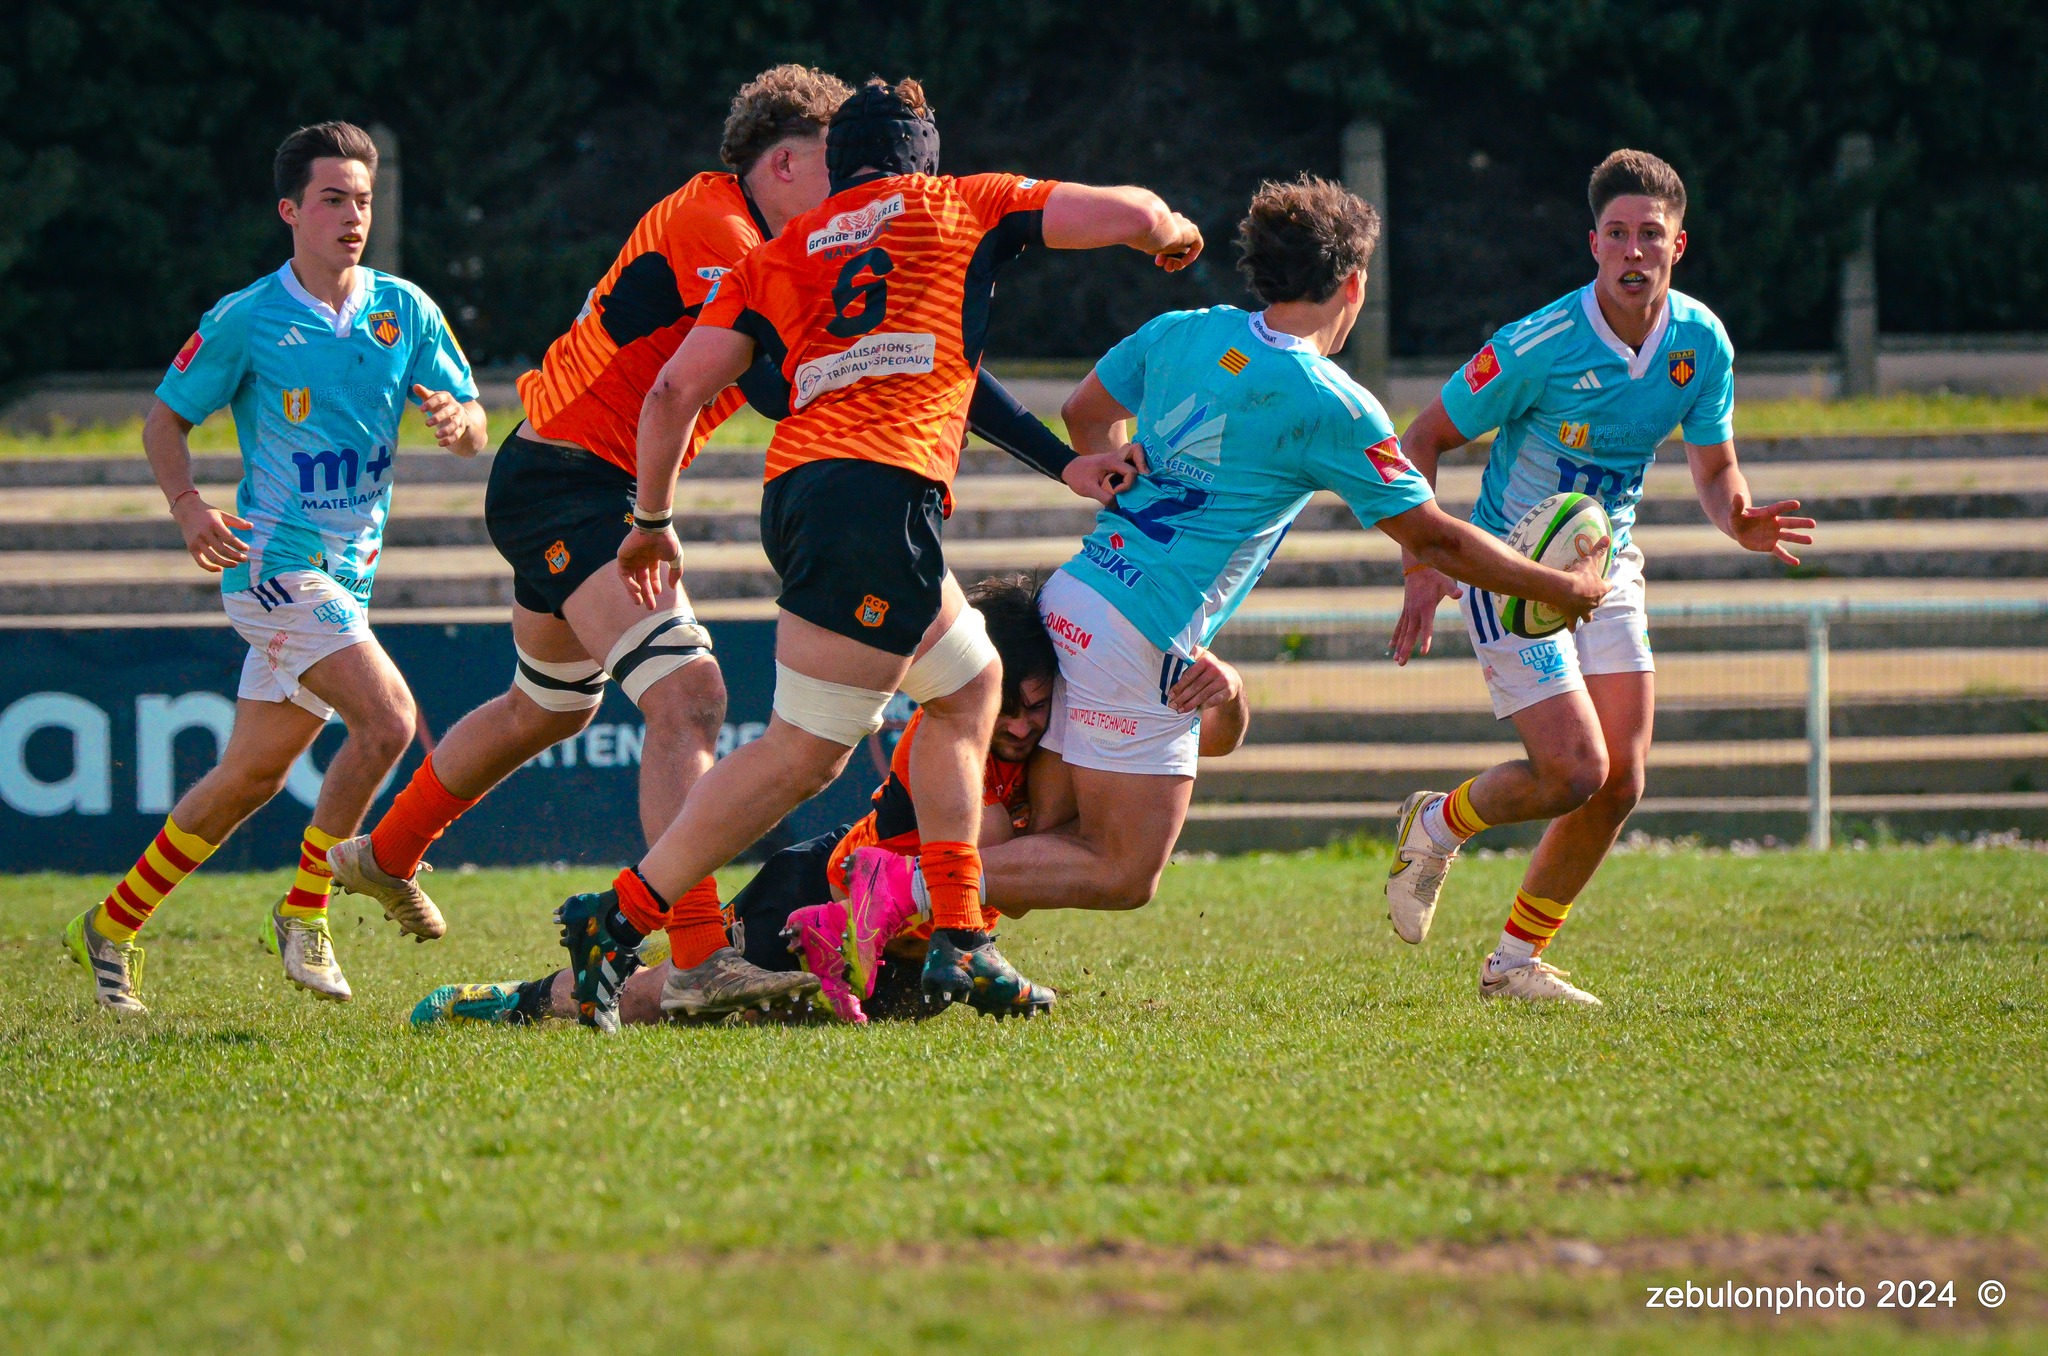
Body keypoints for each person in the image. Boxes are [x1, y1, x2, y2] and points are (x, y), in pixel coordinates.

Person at [546, 76, 1204, 1030]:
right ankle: (616, 918)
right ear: (922, 157)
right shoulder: (961, 203)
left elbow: (672, 393)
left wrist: (651, 518)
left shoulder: (777, 252)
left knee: (969, 686)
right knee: (800, 757)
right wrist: (1169, 231)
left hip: (806, 493)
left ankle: (962, 939)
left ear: (840, 161)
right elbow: (1130, 211)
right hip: (881, 499)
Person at [852, 175, 1612, 935]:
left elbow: (1084, 414)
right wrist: (1563, 588)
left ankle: (902, 917)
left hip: (1079, 593)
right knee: (1121, 871)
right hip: (1141, 631)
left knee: (1052, 843)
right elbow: (1435, 537)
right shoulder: (1332, 403)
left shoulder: (1185, 330)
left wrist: (1123, 475)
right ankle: (898, 886)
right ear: (1354, 283)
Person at [323, 65, 852, 956]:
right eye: (840, 169)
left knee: (548, 708)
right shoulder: (718, 224)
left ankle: (388, 850)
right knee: (689, 697)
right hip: (572, 484)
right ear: (788, 163)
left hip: (561, 473)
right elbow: (774, 380)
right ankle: (695, 954)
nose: (850, 193)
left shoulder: (750, 232)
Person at [409, 574, 1246, 1026]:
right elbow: (992, 852)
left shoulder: (1050, 745)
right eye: (1013, 706)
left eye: (1037, 705)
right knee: (657, 999)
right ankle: (501, 1003)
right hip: (814, 897)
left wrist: (1228, 693)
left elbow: (1196, 747)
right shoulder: (942, 744)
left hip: (890, 952)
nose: (1023, 725)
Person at [64, 122, 484, 1013]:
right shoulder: (248, 317)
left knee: (248, 779)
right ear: (290, 210)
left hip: (348, 575)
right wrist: (187, 507)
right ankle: (305, 909)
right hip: (272, 566)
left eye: (363, 200)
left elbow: (474, 414)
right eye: (334, 199)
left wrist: (458, 423)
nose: (352, 216)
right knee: (390, 721)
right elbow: (162, 422)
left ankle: (109, 924)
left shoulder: (402, 308)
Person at [1383, 149, 1815, 1006]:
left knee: (1621, 782)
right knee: (1573, 772)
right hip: (1512, 571)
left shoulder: (1701, 343)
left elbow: (1715, 467)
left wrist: (1740, 517)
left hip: (1608, 568)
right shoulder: (1537, 344)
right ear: (1593, 245)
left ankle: (1513, 964)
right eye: (1616, 234)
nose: (1632, 251)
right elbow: (1419, 439)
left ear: (1677, 247)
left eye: (1649, 236)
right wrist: (1426, 559)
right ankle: (1437, 823)